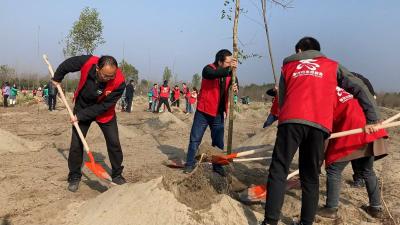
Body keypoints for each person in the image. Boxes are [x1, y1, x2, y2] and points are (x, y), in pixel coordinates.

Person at [261, 37, 381, 225]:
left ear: (299, 51)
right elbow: (359, 87)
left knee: (278, 170)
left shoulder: (289, 66)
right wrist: (373, 118)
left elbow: (282, 100)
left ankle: (270, 222)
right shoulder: (332, 66)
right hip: (319, 125)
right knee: (310, 175)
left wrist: (286, 120)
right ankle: (306, 222)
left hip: (291, 120)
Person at [52, 55, 127, 192]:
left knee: (114, 142)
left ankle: (117, 174)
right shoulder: (89, 62)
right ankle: (74, 176)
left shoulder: (120, 82)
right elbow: (68, 64)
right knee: (76, 144)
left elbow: (104, 106)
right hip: (83, 106)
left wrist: (80, 116)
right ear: (98, 68)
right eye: (106, 76)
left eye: (112, 76)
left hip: (105, 112)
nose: (109, 78)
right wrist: (57, 78)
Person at [317, 87, 388, 220]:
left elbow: (325, 128)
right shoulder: (348, 88)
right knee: (368, 171)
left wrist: (319, 157)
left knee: (333, 169)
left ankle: (331, 208)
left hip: (354, 130)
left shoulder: (324, 94)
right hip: (371, 127)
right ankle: (375, 208)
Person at [183, 49, 238, 176]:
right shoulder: (208, 69)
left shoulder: (231, 74)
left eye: (232, 62)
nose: (231, 65)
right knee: (195, 139)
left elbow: (235, 84)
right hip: (203, 112)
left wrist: (235, 87)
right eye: (228, 62)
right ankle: (189, 164)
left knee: (218, 143)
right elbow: (213, 74)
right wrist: (229, 70)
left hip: (218, 114)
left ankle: (217, 167)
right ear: (220, 61)